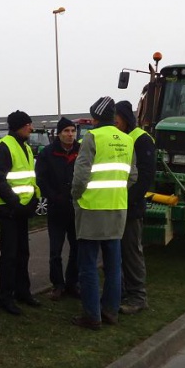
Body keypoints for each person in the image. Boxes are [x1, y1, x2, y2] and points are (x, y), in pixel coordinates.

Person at [71, 97, 136, 330]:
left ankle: (92, 316)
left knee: (88, 265)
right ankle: (110, 311)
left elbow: (80, 175)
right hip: (117, 208)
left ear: (95, 118)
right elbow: (133, 175)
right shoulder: (128, 140)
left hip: (91, 209)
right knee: (113, 264)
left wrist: (76, 196)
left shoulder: (92, 137)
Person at [0, 110, 41, 315]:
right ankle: (5, 297)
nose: (31, 127)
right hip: (8, 209)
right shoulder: (4, 146)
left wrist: (33, 201)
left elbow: (30, 179)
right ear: (20, 125)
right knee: (9, 254)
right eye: (28, 124)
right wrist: (16, 204)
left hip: (21, 209)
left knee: (22, 252)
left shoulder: (26, 148)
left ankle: (23, 292)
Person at [115, 101, 156, 315]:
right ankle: (122, 292)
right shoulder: (121, 137)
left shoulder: (141, 139)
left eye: (117, 118)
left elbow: (146, 176)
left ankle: (138, 297)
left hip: (131, 206)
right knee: (119, 253)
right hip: (118, 204)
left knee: (131, 252)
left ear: (125, 117)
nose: (115, 122)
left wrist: (129, 199)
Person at [35, 116, 80, 301]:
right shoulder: (48, 153)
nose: (70, 135)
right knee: (55, 251)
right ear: (59, 134)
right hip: (56, 209)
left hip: (76, 208)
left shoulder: (82, 150)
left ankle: (72, 283)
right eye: (66, 131)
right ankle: (57, 285)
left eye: (72, 131)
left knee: (77, 249)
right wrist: (54, 196)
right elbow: (41, 179)